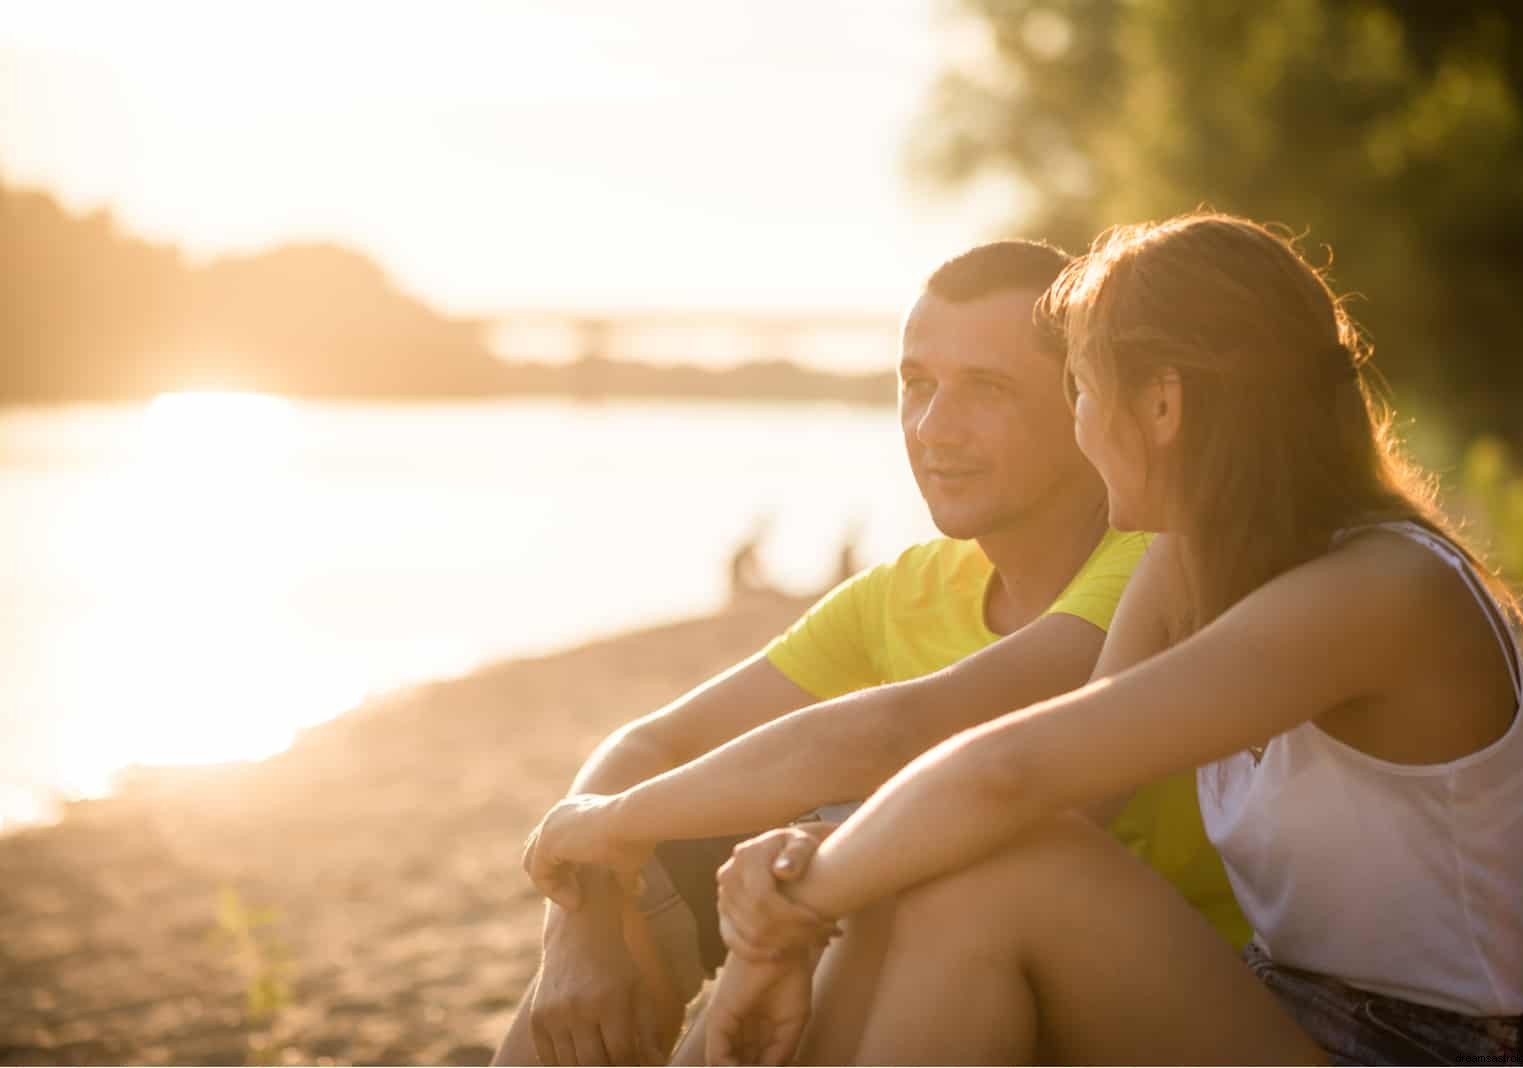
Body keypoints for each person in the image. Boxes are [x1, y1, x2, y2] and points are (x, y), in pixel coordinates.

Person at [705, 212, 1523, 1066]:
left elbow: (1013, 776)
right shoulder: (1184, 564)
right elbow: (1058, 802)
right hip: (1274, 1008)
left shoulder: (1383, 591)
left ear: (1161, 404)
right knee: (951, 868)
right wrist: (824, 867)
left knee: (1009, 864)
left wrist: (795, 909)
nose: (1079, 427)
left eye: (1080, 389)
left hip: (1422, 1050)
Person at [497, 240, 1247, 1067]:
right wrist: (580, 919)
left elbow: (897, 730)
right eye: (916, 385)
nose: (934, 429)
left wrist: (602, 827)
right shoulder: (905, 591)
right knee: (661, 876)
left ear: (1084, 403)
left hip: (1147, 1010)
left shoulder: (1150, 562)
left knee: (844, 849)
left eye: (987, 390)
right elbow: (653, 745)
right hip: (943, 991)